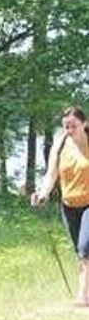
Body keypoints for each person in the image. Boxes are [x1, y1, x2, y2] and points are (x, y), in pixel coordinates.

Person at [31, 106, 89, 306]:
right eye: (66, 126)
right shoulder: (61, 143)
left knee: (85, 248)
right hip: (69, 205)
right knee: (79, 252)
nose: (70, 130)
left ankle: (82, 296)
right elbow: (51, 175)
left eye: (73, 126)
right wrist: (42, 194)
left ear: (84, 124)